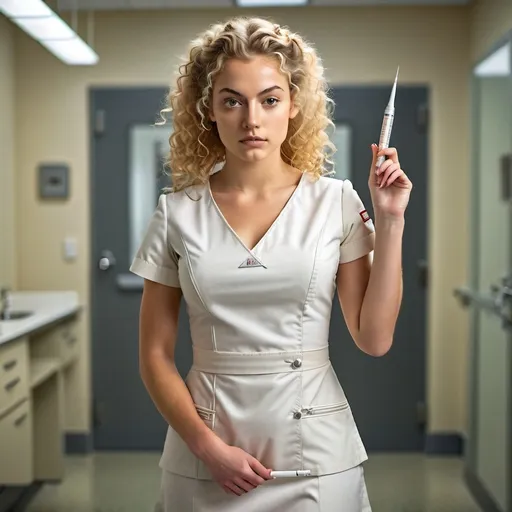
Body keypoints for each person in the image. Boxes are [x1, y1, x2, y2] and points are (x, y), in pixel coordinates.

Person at [129, 15, 412, 512]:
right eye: (231, 100)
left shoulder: (335, 203)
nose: (251, 120)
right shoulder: (177, 213)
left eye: (269, 99)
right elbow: (154, 356)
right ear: (209, 111)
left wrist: (389, 223)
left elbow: (374, 338)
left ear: (294, 106)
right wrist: (207, 447)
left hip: (316, 457)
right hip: (207, 453)